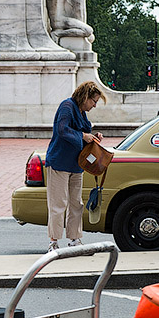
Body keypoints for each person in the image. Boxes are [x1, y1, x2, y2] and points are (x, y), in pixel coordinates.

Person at [44, 81, 105, 252]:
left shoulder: (80, 111)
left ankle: (75, 239)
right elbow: (62, 130)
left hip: (76, 164)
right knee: (58, 203)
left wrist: (92, 137)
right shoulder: (67, 106)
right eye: (94, 101)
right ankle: (53, 242)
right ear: (85, 97)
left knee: (76, 203)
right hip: (59, 162)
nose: (94, 105)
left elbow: (80, 134)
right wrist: (84, 136)